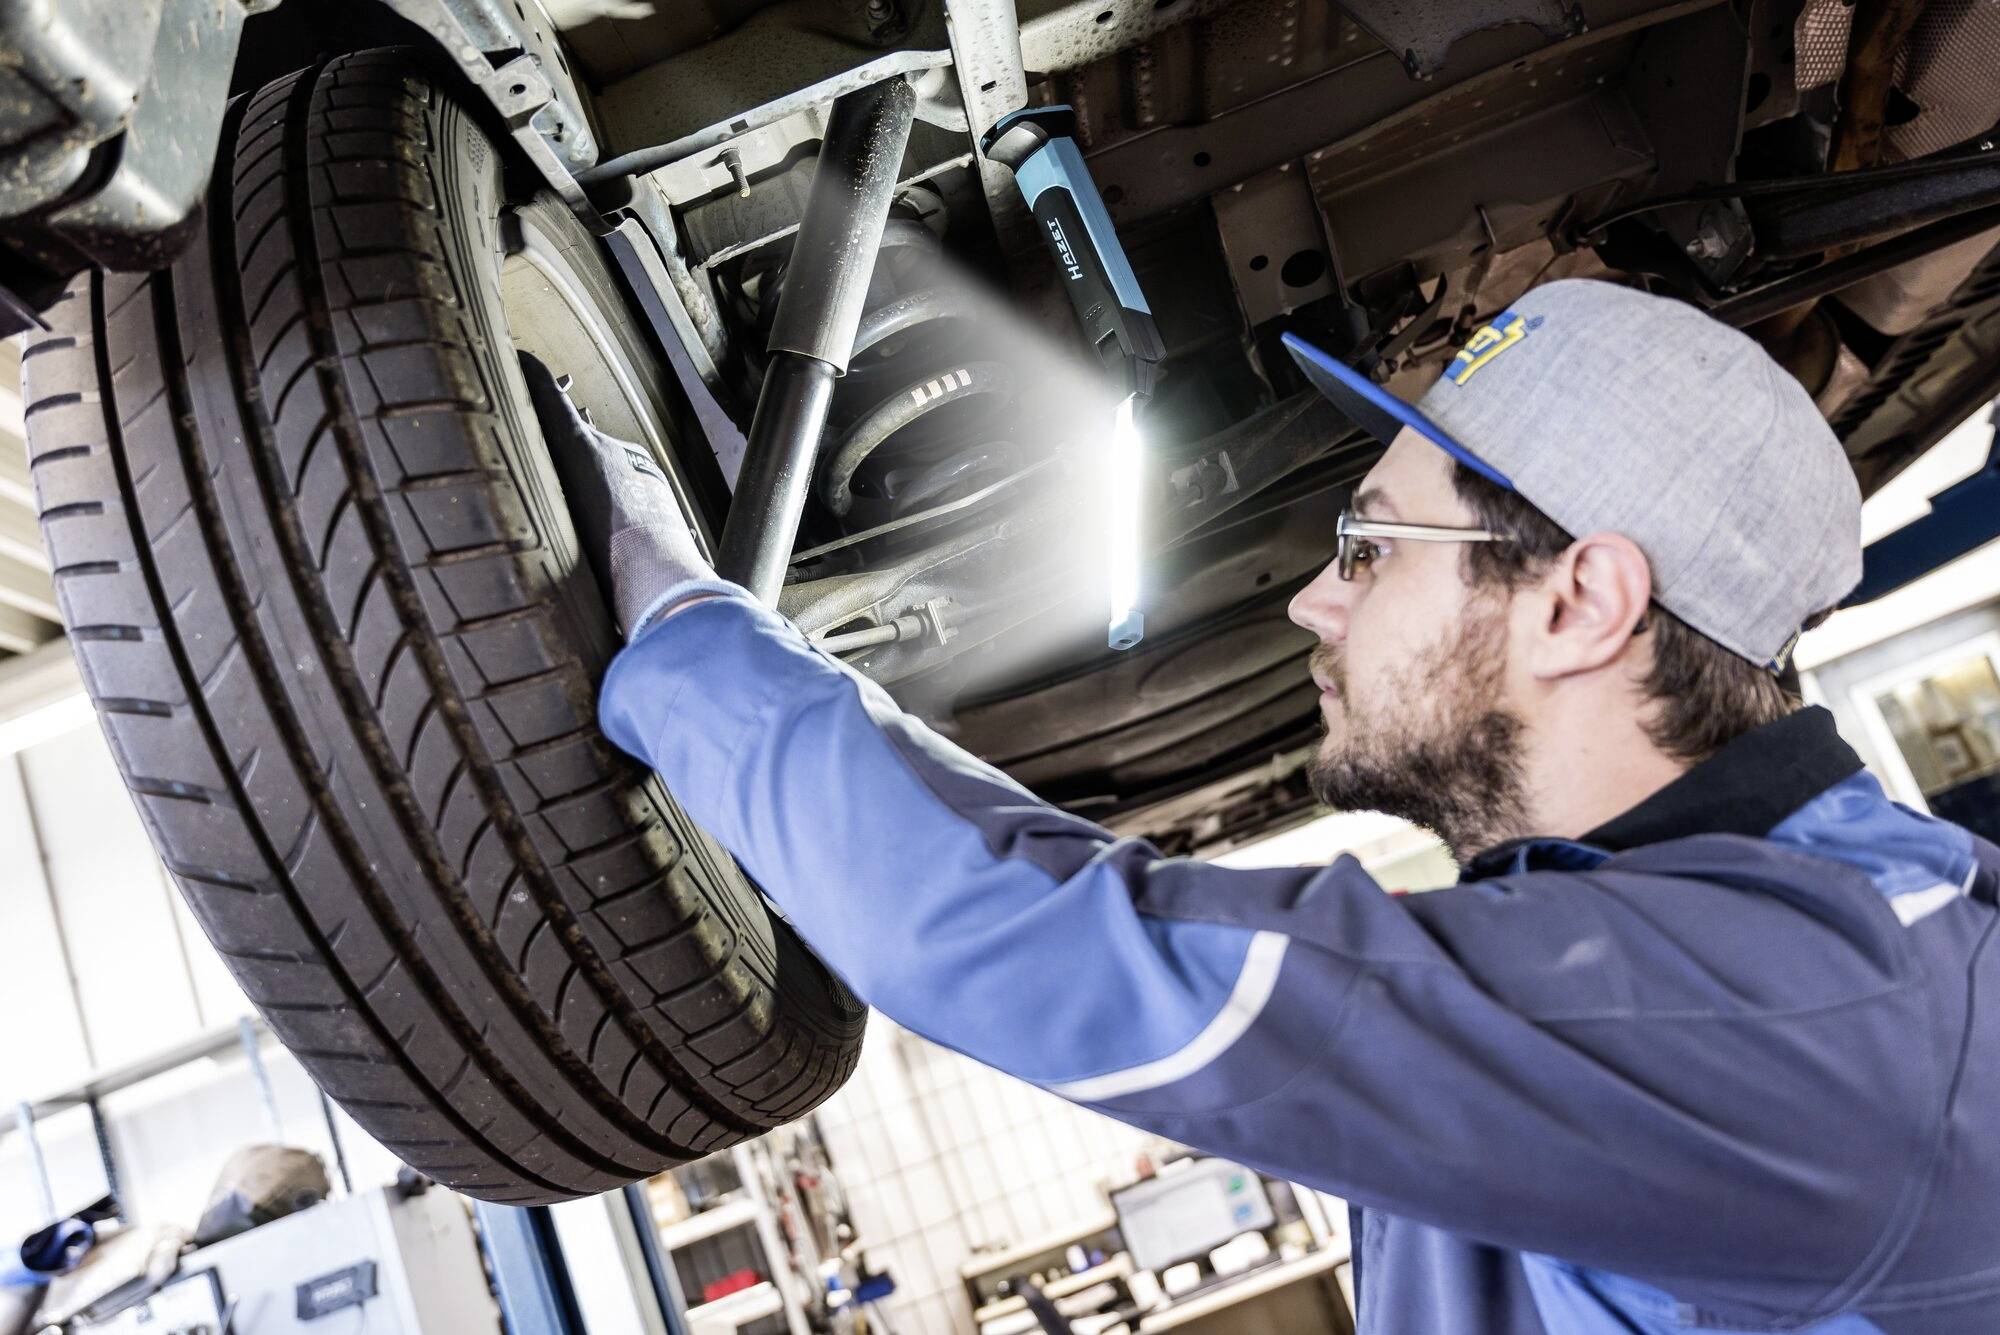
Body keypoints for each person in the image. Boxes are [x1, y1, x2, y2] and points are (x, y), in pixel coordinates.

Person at [521, 279, 2000, 1333]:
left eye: (1372, 546)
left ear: (1578, 603)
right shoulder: (1741, 942)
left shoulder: (1826, 1010)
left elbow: (1060, 952)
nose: (1313, 600)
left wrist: (684, 622)